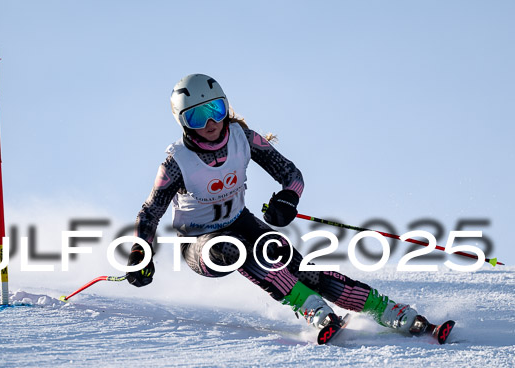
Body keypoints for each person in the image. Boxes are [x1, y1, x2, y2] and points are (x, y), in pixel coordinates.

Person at [126, 73, 430, 336]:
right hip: (199, 243)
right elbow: (150, 212)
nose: (210, 123)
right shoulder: (176, 162)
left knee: (298, 267)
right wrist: (140, 253)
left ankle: (392, 312)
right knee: (233, 249)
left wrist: (287, 199)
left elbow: (291, 175)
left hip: (240, 221)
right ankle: (312, 310)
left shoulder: (242, 137)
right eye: (196, 116)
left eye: (216, 110)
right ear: (183, 122)